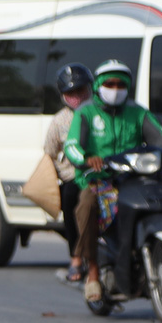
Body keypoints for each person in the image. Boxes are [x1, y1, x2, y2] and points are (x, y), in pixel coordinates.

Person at [62, 59, 162, 303]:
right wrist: (88, 158)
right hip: (98, 181)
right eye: (110, 83)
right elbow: (72, 146)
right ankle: (94, 274)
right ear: (98, 85)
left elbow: (161, 138)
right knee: (87, 204)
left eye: (121, 84)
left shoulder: (137, 113)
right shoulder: (86, 113)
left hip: (134, 180)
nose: (116, 88)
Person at [43, 63, 95, 281]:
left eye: (80, 91)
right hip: (74, 176)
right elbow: (50, 152)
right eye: (70, 93)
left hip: (101, 172)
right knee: (70, 198)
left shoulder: (99, 114)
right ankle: (76, 256)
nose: (76, 96)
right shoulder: (59, 122)